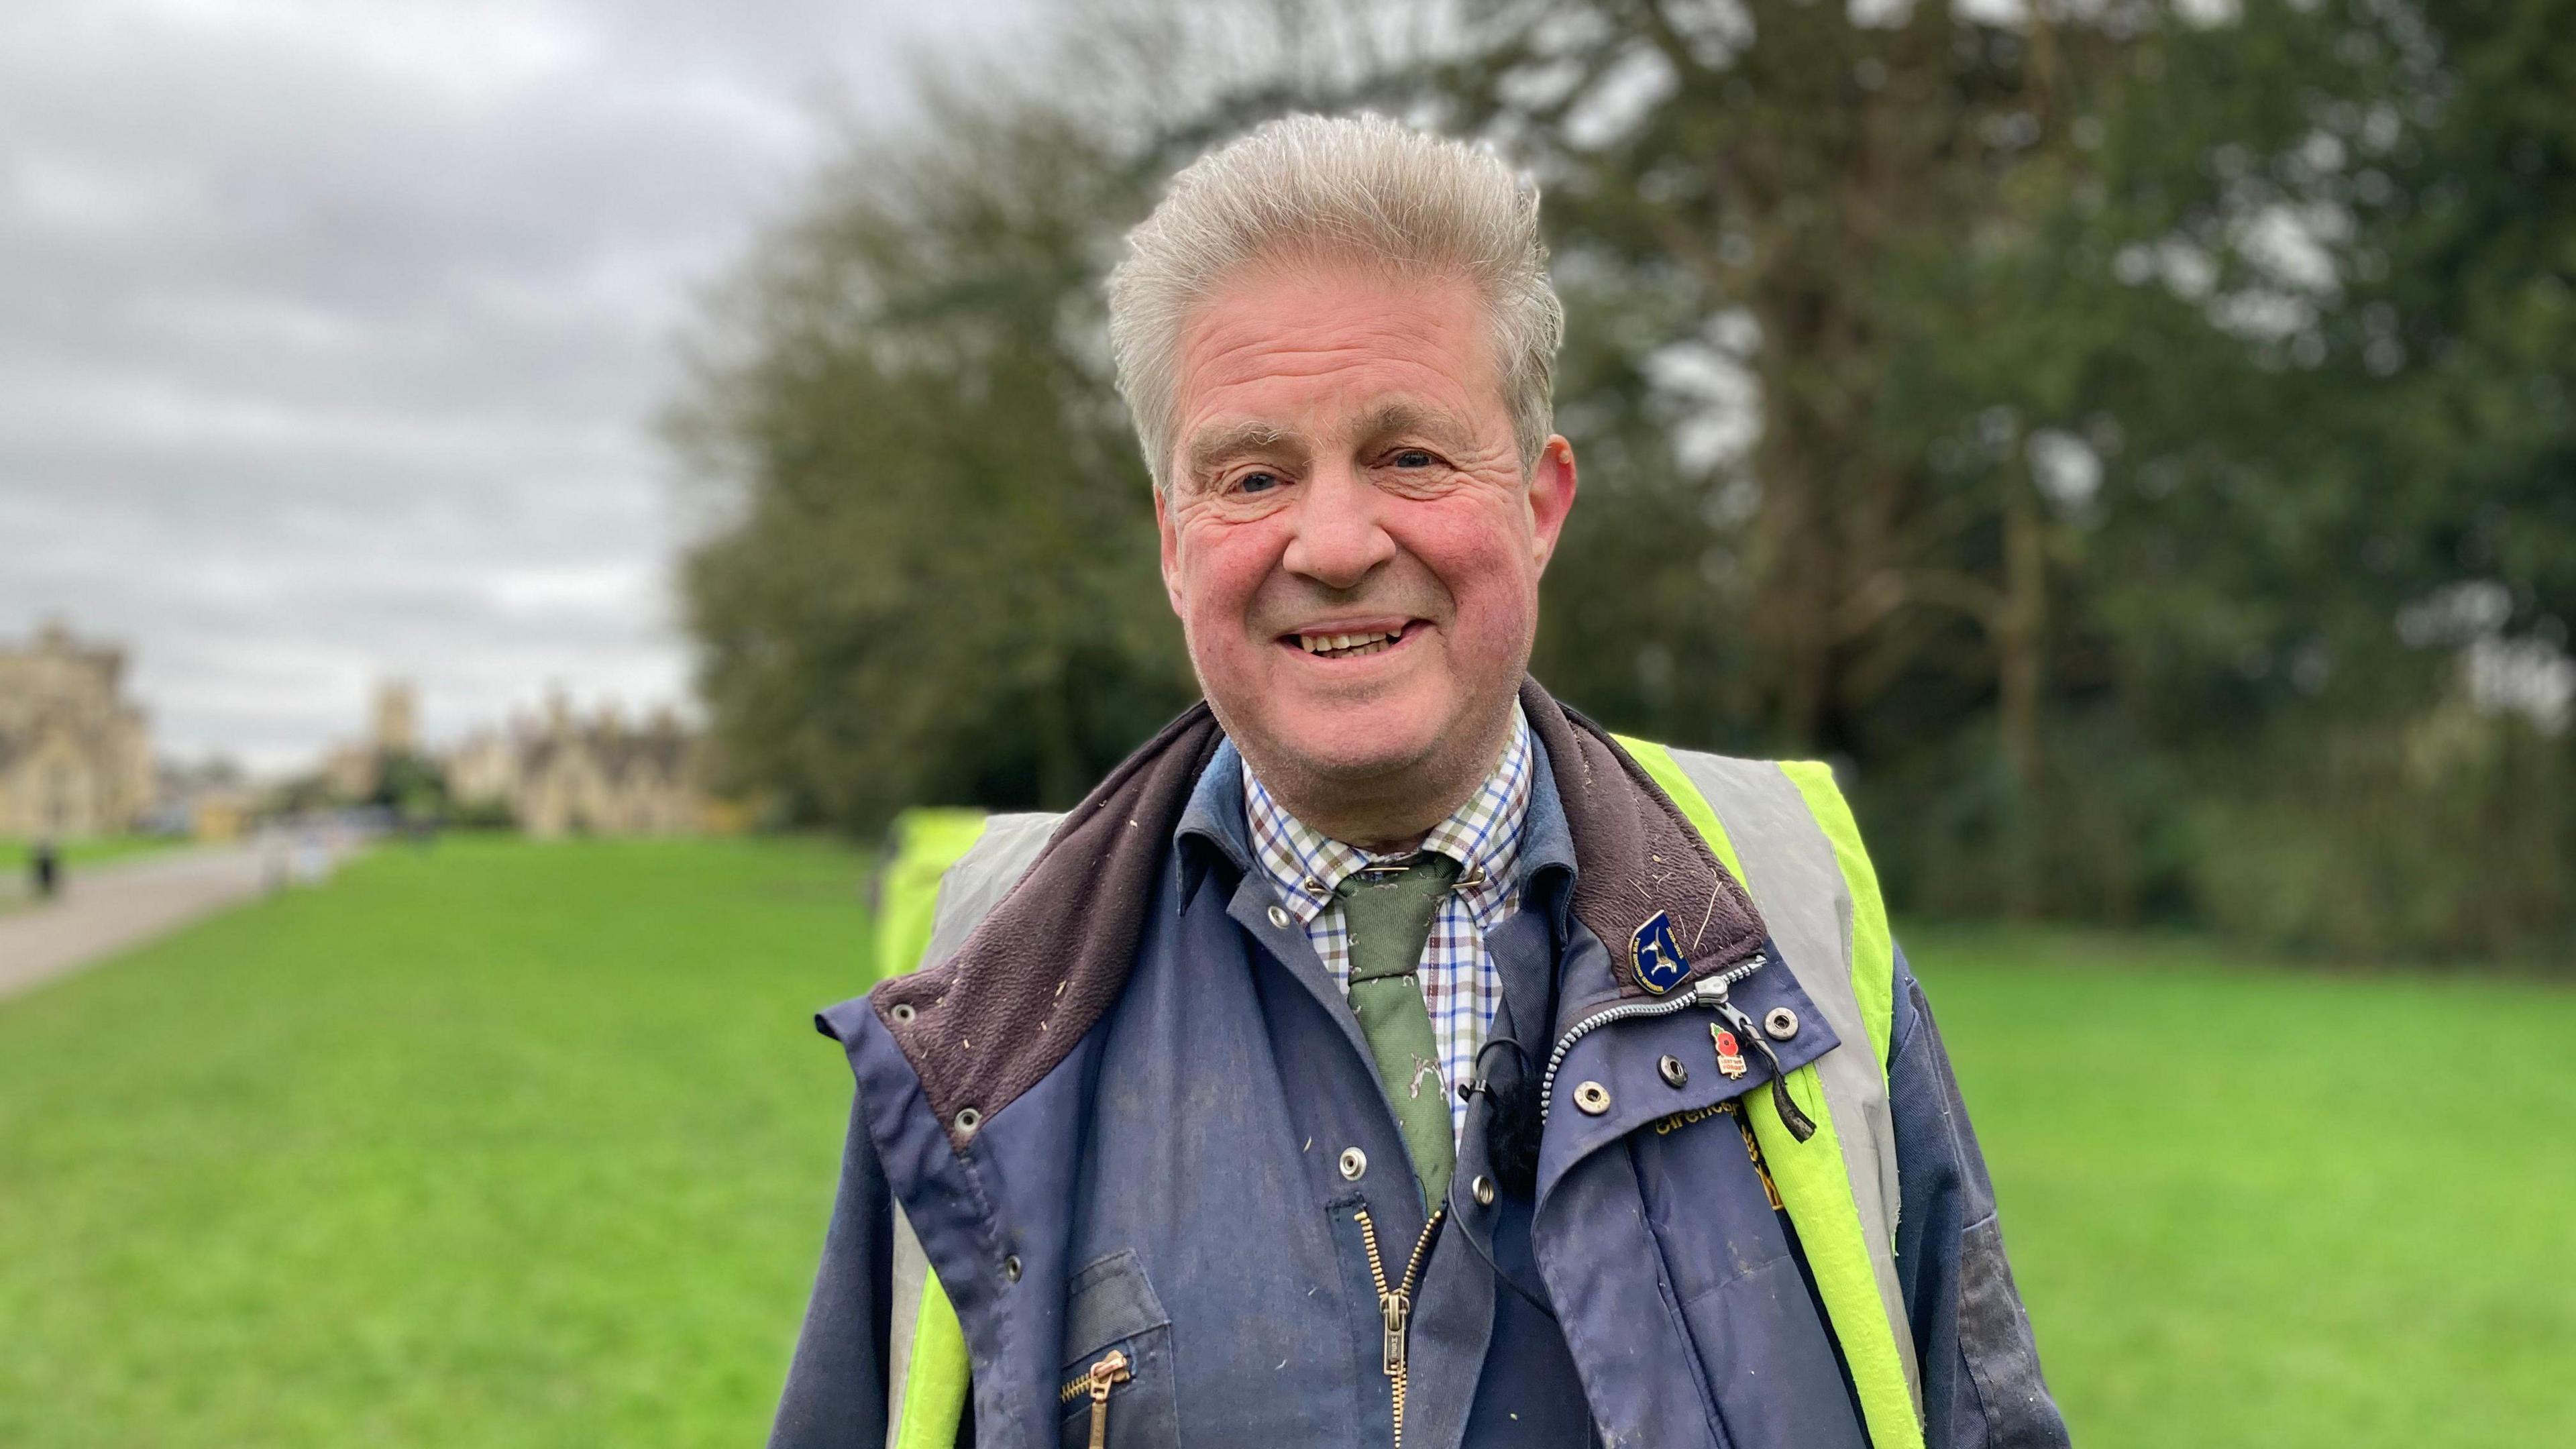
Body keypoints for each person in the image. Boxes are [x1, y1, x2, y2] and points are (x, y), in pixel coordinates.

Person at [772, 114, 2067, 1449]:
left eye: (1411, 456)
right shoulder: (985, 994)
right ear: (1173, 543)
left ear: (1543, 505)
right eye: (1256, 474)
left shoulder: (1790, 913)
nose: (1332, 543)